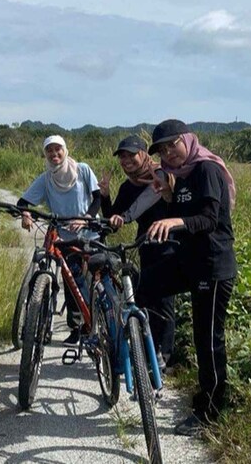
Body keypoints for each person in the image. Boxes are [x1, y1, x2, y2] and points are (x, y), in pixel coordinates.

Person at [144, 119, 237, 436]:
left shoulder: (206, 170)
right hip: (190, 262)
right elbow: (183, 204)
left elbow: (210, 219)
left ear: (187, 140)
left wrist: (174, 221)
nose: (169, 153)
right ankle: (147, 355)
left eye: (173, 144)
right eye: (163, 150)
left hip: (213, 265)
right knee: (147, 286)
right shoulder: (180, 177)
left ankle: (211, 411)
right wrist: (170, 196)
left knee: (208, 340)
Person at [98, 135, 177, 372]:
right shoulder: (128, 187)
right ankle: (147, 351)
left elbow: (173, 204)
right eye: (122, 156)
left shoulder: (162, 175)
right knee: (144, 299)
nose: (126, 160)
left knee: (164, 301)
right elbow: (115, 220)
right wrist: (105, 196)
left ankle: (165, 355)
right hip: (145, 244)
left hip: (170, 242)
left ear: (144, 154)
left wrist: (167, 190)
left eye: (131, 155)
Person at [17, 134, 101, 347]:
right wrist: (25, 214)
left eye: (58, 150)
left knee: (95, 279)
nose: (54, 154)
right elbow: (23, 202)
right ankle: (79, 327)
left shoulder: (82, 169)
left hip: (89, 233)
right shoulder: (46, 178)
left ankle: (100, 324)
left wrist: (86, 219)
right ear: (45, 154)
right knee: (71, 281)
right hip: (64, 235)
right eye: (49, 151)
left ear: (65, 150)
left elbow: (97, 197)